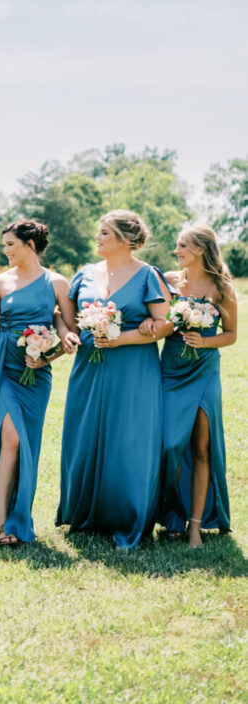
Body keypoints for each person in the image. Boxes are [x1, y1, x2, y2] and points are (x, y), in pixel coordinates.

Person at [56, 210, 170, 549]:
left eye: (104, 232)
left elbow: (165, 323)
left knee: (129, 439)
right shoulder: (85, 274)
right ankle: (86, 514)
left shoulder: (148, 275)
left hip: (133, 369)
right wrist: (65, 334)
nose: (98, 238)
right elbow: (65, 316)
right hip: (89, 368)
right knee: (85, 434)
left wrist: (124, 338)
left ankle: (127, 516)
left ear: (125, 240)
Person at [0, 219, 74, 546]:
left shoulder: (57, 283)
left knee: (23, 443)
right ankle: (2, 523)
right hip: (2, 368)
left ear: (30, 245)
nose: (6, 251)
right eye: (5, 245)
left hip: (36, 375)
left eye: (11, 244)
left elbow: (70, 332)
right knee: (10, 440)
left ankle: (16, 519)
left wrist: (47, 357)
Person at [140, 225, 236, 546]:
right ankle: (169, 514)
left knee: (201, 448)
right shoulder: (169, 279)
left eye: (182, 246)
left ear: (199, 250)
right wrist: (150, 323)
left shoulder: (221, 287)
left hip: (204, 372)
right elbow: (152, 311)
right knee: (169, 445)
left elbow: (232, 335)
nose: (176, 251)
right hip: (171, 369)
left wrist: (204, 343)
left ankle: (194, 526)